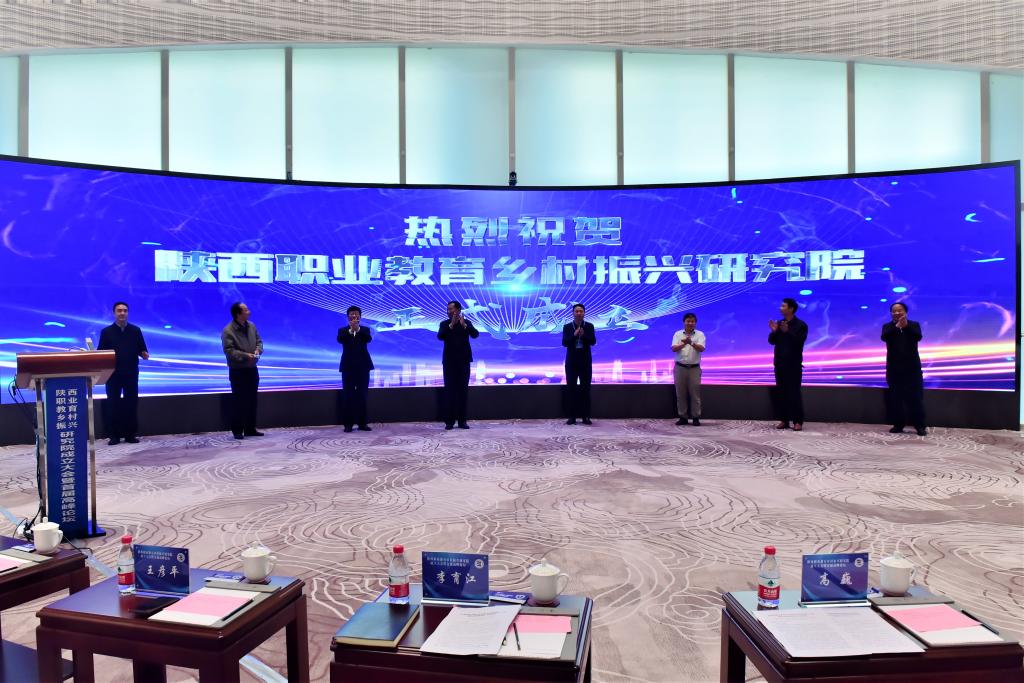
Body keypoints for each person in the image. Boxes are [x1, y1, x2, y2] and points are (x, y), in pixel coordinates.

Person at [97, 301, 149, 445]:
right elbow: (101, 352)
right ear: (114, 313)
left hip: (131, 373)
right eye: (119, 311)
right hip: (113, 375)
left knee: (131, 404)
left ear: (128, 313)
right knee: (113, 404)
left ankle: (130, 435)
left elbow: (142, 349)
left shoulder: (135, 330)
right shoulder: (106, 332)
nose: (122, 313)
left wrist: (144, 354)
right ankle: (114, 436)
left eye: (125, 310)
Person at [881, 302, 926, 436]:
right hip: (894, 369)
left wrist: (905, 327)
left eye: (899, 310)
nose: (896, 313)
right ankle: (898, 425)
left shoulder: (914, 325)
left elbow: (918, 336)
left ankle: (920, 426)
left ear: (905, 312)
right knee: (896, 399)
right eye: (894, 311)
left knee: (916, 398)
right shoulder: (887, 327)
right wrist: (897, 327)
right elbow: (884, 337)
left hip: (912, 369)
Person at [221, 302, 263, 440]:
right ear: (238, 314)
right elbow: (229, 351)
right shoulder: (228, 331)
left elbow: (259, 341)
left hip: (252, 369)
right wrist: (246, 356)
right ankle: (237, 430)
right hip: (238, 371)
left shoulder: (251, 326)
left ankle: (250, 428)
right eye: (246, 310)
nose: (249, 311)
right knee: (239, 401)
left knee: (252, 400)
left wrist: (258, 350)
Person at [768, 297, 808, 431]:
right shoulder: (780, 323)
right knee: (782, 392)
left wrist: (787, 332)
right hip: (779, 364)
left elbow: (799, 342)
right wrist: (774, 331)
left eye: (783, 306)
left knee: (794, 393)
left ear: (791, 309)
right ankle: (784, 420)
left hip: (794, 365)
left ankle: (798, 421)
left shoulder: (801, 325)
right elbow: (772, 341)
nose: (781, 308)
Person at [437, 301, 479, 430]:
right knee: (449, 391)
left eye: (451, 309)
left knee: (462, 392)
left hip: (464, 362)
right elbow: (440, 336)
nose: (448, 311)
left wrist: (464, 325)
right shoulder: (444, 324)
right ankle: (449, 422)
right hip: (449, 362)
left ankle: (462, 421)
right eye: (448, 309)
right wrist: (451, 325)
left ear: (458, 310)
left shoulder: (466, 323)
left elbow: (475, 334)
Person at [338, 305, 374, 433]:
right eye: (352, 314)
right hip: (347, 367)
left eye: (356, 314)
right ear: (348, 316)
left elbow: (368, 339)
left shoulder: (365, 330)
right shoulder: (342, 330)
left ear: (360, 316)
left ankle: (362, 423)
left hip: (363, 367)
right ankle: (348, 424)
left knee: (362, 396)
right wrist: (351, 330)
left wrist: (357, 329)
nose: (354, 316)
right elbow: (340, 340)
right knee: (348, 396)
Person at [561, 303, 597, 425]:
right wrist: (574, 335)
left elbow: (593, 342)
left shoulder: (589, 326)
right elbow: (564, 343)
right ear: (573, 313)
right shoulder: (567, 327)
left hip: (585, 362)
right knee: (571, 389)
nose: (579, 313)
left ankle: (585, 416)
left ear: (584, 313)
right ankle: (572, 417)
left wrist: (583, 336)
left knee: (585, 389)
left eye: (581, 311)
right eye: (577, 311)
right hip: (571, 362)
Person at [671, 312, 705, 426]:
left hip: (694, 368)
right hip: (680, 368)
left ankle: (696, 417)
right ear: (684, 322)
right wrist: (684, 344)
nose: (690, 323)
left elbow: (702, 349)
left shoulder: (700, 334)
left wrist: (691, 342)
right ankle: (683, 417)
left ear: (695, 323)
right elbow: (673, 348)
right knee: (680, 394)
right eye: (688, 321)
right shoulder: (678, 334)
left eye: (692, 321)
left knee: (695, 394)